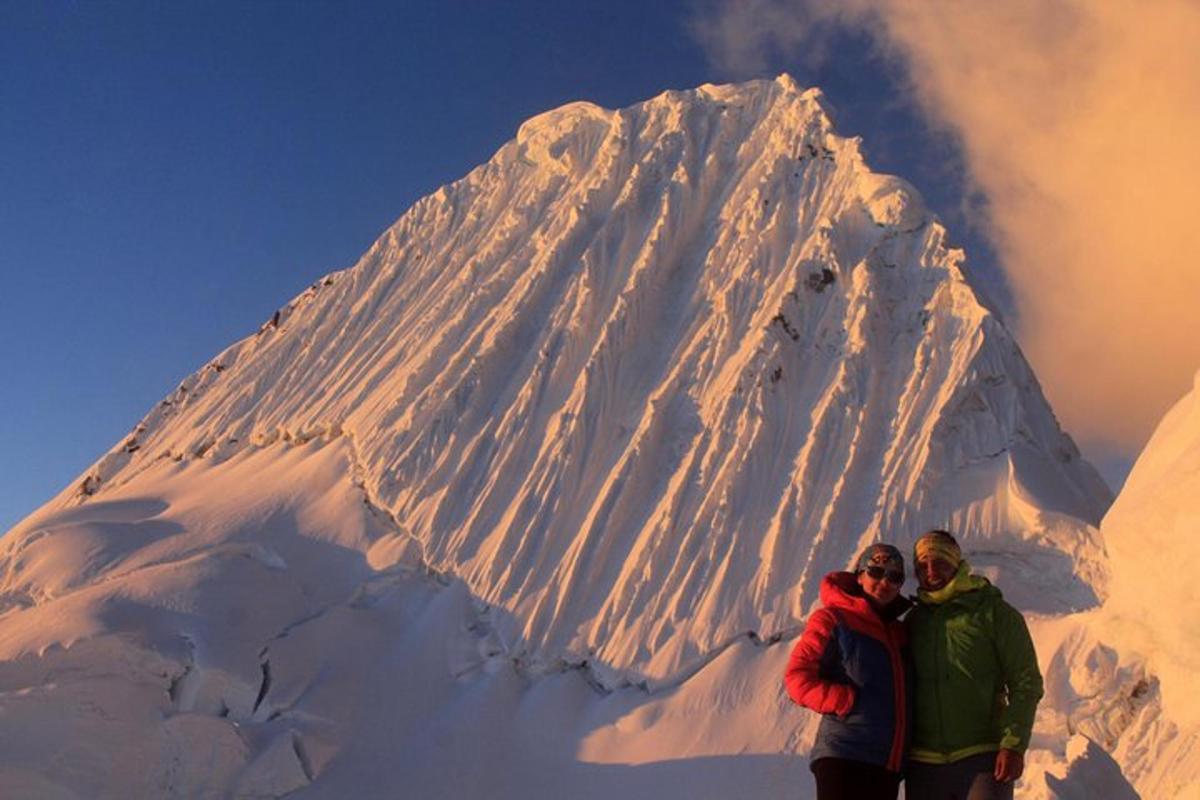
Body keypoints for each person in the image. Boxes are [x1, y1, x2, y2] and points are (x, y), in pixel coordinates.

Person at [905, 529, 1044, 800]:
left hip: (983, 755)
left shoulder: (994, 613)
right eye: (923, 564)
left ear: (957, 564)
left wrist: (1013, 745)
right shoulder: (913, 622)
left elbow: (1026, 681)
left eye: (940, 561)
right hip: (923, 763)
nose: (931, 570)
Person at [784, 543, 912, 800]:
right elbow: (797, 678)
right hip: (844, 755)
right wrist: (843, 701)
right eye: (875, 572)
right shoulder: (833, 618)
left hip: (886, 764)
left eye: (894, 576)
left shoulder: (899, 633)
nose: (883, 582)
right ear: (860, 575)